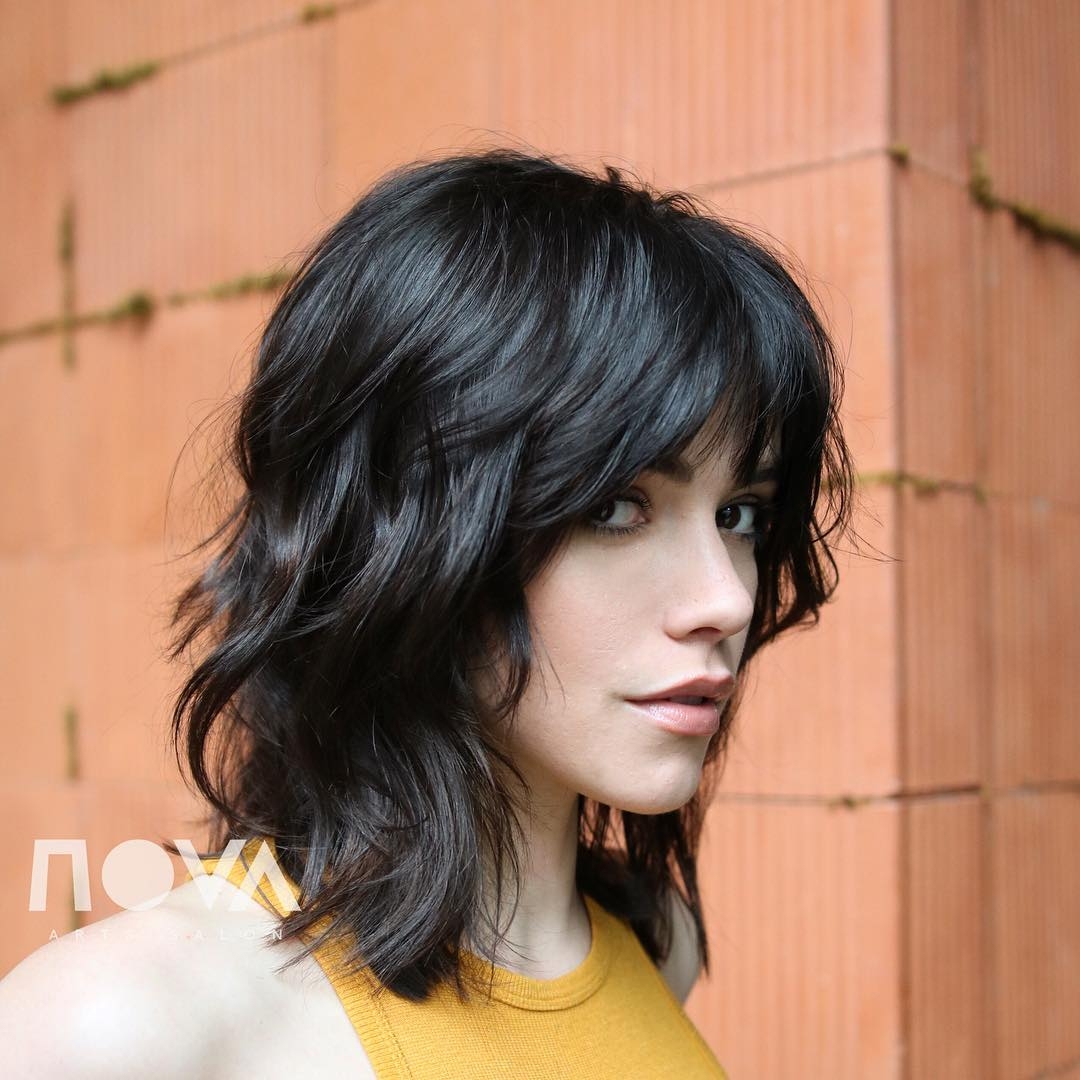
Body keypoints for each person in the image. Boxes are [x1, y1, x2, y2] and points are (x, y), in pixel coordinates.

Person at [0, 147, 854, 1077]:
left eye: (741, 514)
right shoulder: (124, 1028)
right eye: (616, 506)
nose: (727, 598)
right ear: (406, 532)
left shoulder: (657, 948)